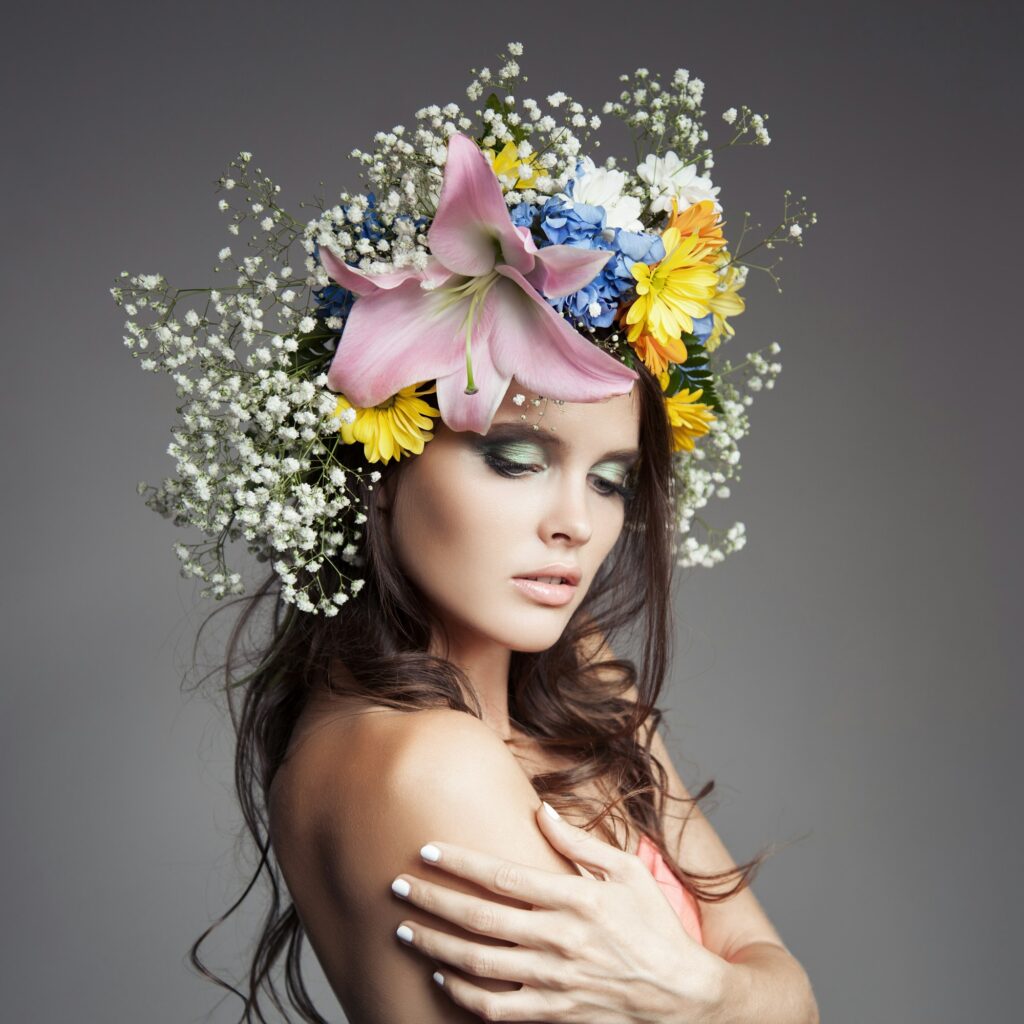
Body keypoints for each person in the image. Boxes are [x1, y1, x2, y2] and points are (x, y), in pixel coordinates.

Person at [115, 47, 819, 1021]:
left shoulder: (583, 683)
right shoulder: (424, 761)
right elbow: (768, 995)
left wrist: (697, 988)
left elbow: (794, 994)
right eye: (515, 459)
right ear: (385, 461)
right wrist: (726, 994)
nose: (576, 522)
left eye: (610, 479)